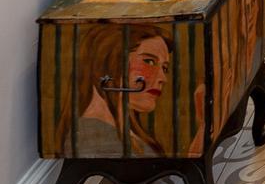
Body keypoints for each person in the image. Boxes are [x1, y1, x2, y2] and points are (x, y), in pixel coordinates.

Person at [54, 24, 205, 157]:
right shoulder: (92, 135)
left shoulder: (126, 133)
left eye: (164, 68)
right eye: (149, 61)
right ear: (108, 60)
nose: (162, 78)